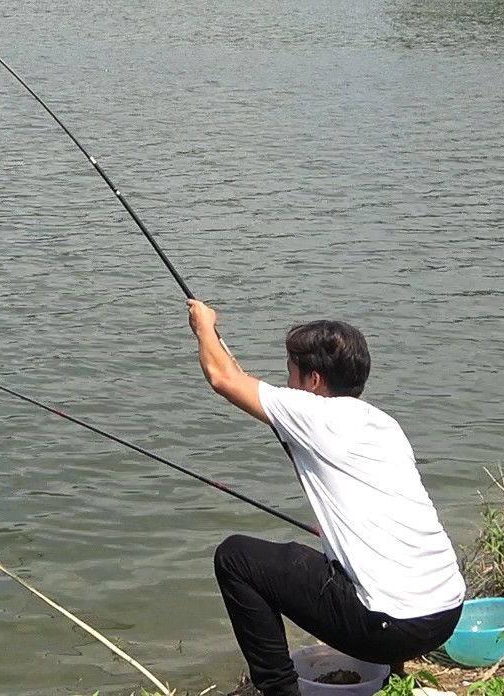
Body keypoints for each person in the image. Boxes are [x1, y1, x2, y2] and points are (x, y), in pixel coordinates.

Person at [186, 298, 465, 696]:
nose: (288, 381)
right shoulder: (383, 424)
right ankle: (392, 674)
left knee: (236, 557)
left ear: (314, 380)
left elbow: (222, 377)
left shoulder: (314, 413)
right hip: (445, 614)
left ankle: (280, 691)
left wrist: (204, 326)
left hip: (392, 627)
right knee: (328, 559)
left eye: (291, 372)